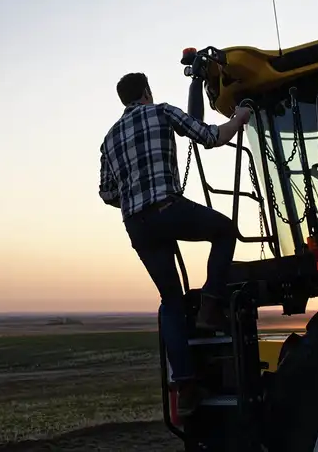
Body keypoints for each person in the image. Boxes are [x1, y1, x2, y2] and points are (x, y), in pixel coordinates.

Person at [97, 71, 251, 416]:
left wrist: (134, 194)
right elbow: (211, 137)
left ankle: (185, 385)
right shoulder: (162, 112)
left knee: (170, 300)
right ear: (147, 92)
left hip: (137, 225)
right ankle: (211, 305)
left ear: (125, 99)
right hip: (169, 208)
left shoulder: (109, 139)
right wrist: (239, 118)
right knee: (225, 231)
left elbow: (107, 193)